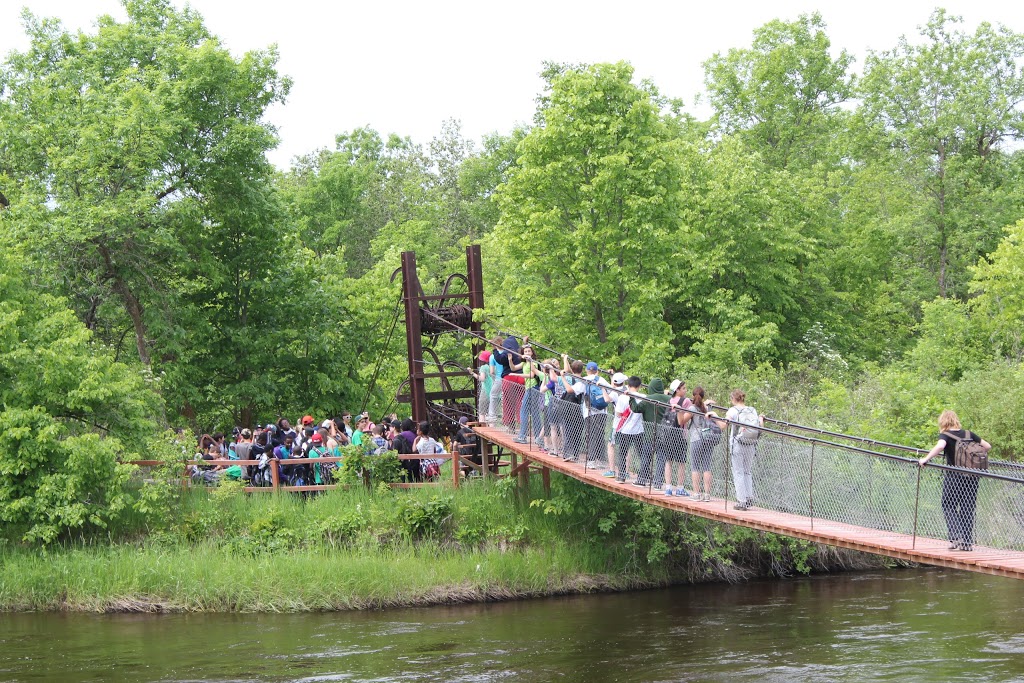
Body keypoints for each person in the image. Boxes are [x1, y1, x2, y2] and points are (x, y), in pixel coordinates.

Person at [918, 410, 992, 551]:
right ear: (956, 420)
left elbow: (940, 446)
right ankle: (967, 542)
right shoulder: (969, 434)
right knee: (967, 508)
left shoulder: (945, 435)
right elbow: (987, 446)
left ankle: (955, 536)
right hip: (972, 476)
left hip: (955, 476)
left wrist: (925, 459)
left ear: (943, 422)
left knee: (948, 504)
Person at [725, 389, 763, 511]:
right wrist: (761, 418)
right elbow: (760, 426)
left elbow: (725, 423)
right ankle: (749, 497)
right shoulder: (752, 410)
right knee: (747, 471)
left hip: (737, 444)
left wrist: (713, 416)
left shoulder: (733, 410)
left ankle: (741, 501)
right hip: (751, 444)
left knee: (738, 472)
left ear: (733, 399)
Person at [682, 387, 722, 502]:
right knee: (707, 466)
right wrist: (706, 403)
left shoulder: (692, 408)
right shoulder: (706, 408)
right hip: (708, 437)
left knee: (695, 466)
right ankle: (707, 494)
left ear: (693, 395)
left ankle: (696, 493)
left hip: (696, 438)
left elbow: (683, 420)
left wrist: (679, 411)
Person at [654, 379, 691, 496]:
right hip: (680, 435)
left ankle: (668, 488)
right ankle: (680, 488)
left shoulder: (669, 400)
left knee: (668, 462)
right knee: (681, 463)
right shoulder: (686, 401)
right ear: (677, 390)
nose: (686, 390)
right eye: (684, 388)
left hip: (667, 434)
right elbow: (684, 419)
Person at [613, 376, 646, 484]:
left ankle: (621, 476)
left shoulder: (623, 397)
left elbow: (618, 413)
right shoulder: (643, 397)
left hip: (624, 430)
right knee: (642, 454)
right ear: (639, 386)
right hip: (639, 430)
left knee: (622, 453)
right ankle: (643, 477)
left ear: (628, 385)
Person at [513, 344, 546, 447]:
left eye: (529, 351)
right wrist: (510, 359)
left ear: (532, 353)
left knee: (523, 411)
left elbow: (532, 375)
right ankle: (538, 437)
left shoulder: (533, 363)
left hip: (533, 388)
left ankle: (522, 436)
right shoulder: (524, 364)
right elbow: (513, 368)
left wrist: (517, 375)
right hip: (530, 388)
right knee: (535, 412)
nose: (527, 353)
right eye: (525, 352)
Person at [473, 350, 493, 423]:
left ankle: (482, 424)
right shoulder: (492, 367)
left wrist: (472, 373)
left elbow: (482, 378)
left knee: (482, 411)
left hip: (485, 391)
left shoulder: (483, 367)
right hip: (493, 392)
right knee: (491, 412)